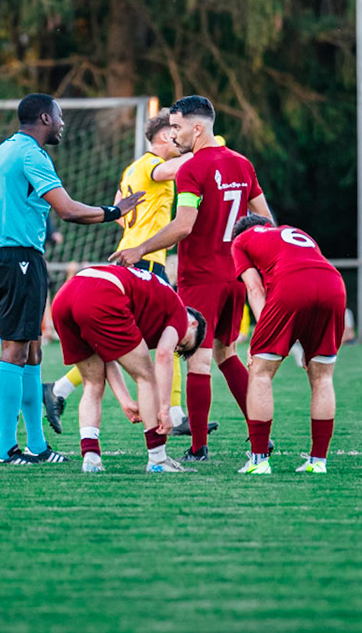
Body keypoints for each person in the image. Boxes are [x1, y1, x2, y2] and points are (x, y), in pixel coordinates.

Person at [0, 93, 144, 464]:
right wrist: (112, 211)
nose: (62, 122)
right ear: (44, 117)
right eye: (59, 116)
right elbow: (68, 210)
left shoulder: (3, 150)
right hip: (17, 257)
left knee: (34, 349)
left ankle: (37, 446)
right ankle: (6, 448)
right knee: (16, 349)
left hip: (10, 256)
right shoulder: (31, 154)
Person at [114, 95, 271, 463]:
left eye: (178, 127)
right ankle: (259, 435)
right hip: (236, 275)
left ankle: (198, 447)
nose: (174, 134)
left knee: (197, 363)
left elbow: (184, 226)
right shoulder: (242, 164)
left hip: (201, 277)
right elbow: (264, 220)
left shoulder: (192, 169)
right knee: (228, 354)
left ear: (197, 128)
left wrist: (141, 249)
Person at [44, 112, 207, 438]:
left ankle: (59, 390)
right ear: (163, 138)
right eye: (174, 133)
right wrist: (206, 149)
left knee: (119, 337)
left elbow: (120, 208)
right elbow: (179, 168)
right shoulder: (153, 165)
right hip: (145, 259)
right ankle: (172, 413)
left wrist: (140, 229)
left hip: (131, 254)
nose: (178, 139)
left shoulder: (132, 169)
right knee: (169, 334)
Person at [51, 263, 205, 473]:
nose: (177, 344)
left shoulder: (147, 311)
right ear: (193, 324)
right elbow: (163, 355)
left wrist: (125, 400)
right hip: (101, 293)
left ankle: (91, 457)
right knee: (147, 377)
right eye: (184, 344)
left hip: (66, 295)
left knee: (92, 384)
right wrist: (166, 409)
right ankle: (158, 460)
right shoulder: (180, 313)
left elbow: (107, 355)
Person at [229, 214, 345, 473]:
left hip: (293, 285)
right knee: (323, 377)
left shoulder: (240, 242)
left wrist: (261, 336)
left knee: (260, 373)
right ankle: (318, 462)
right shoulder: (295, 231)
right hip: (333, 285)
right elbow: (311, 273)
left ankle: (259, 461)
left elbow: (255, 289)